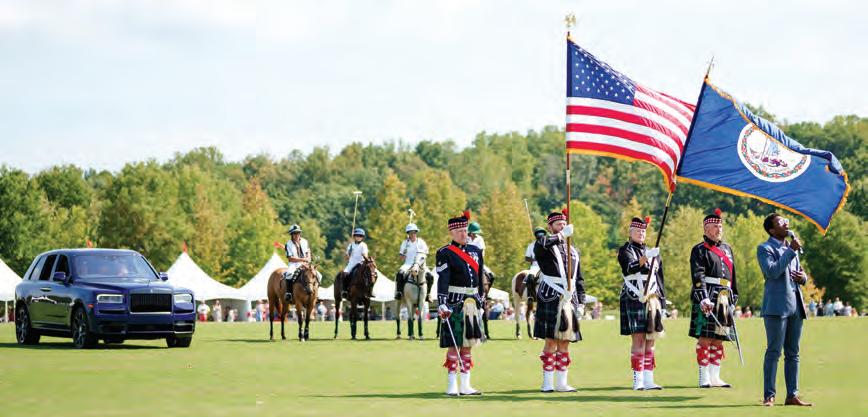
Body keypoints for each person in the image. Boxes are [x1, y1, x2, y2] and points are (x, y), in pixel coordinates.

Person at [758, 213, 812, 407]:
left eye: (785, 220)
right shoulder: (765, 249)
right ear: (772, 230)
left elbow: (799, 272)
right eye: (781, 222)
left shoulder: (791, 248)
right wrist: (790, 251)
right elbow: (772, 272)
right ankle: (769, 396)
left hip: (796, 306)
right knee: (774, 352)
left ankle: (792, 395)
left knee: (793, 353)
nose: (786, 223)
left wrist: (803, 278)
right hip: (776, 307)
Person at [533, 209, 585, 393]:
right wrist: (561, 235)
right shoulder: (544, 245)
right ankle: (547, 383)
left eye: (564, 224)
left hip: (569, 299)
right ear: (550, 227)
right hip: (551, 296)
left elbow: (579, 279)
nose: (562, 226)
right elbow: (541, 244)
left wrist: (581, 302)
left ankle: (562, 382)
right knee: (551, 341)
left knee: (565, 341)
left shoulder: (574, 251)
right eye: (558, 224)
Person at [436, 210, 485, 396]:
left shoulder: (476, 251)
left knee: (468, 344)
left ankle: (465, 385)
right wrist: (442, 302)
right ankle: (452, 385)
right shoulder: (445, 253)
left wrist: (481, 301)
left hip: (472, 303)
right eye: (459, 232)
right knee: (454, 344)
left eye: (465, 230)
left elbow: (480, 277)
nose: (464, 234)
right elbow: (443, 278)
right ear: (452, 233)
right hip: (454, 302)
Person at [689, 209, 738, 389]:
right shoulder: (699, 250)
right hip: (708, 295)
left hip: (725, 296)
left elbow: (733, 276)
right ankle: (704, 377)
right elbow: (698, 274)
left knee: (719, 338)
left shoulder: (727, 249)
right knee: (705, 337)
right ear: (706, 228)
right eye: (715, 226)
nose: (719, 229)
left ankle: (715, 377)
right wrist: (703, 297)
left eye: (720, 226)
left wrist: (734, 298)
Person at [618, 216, 666, 390]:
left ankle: (649, 380)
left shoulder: (654, 252)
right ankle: (637, 380)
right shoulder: (625, 250)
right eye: (637, 231)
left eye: (643, 231)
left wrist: (663, 304)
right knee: (638, 339)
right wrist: (646, 257)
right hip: (634, 297)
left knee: (651, 340)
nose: (641, 234)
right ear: (630, 233)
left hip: (653, 299)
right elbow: (629, 268)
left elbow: (660, 280)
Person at [284, 224, 321, 303]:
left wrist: (308, 260)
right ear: (291, 234)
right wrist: (302, 260)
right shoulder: (288, 244)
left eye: (298, 233)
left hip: (306, 263)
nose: (296, 235)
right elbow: (290, 258)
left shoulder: (305, 241)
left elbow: (308, 253)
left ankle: (316, 295)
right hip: (294, 264)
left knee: (319, 275)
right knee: (289, 274)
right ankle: (289, 293)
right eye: (294, 233)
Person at [394, 223, 431, 300]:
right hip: (408, 264)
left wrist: (420, 261)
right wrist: (404, 252)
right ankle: (399, 292)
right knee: (400, 274)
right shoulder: (405, 243)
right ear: (408, 233)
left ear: (416, 232)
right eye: (410, 232)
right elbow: (401, 258)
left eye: (414, 232)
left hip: (420, 264)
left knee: (430, 276)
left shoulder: (421, 242)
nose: (413, 234)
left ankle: (428, 294)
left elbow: (426, 254)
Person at [340, 228, 370, 300]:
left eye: (360, 236)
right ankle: (344, 290)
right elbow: (346, 258)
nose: (359, 237)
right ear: (354, 236)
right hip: (352, 263)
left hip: (361, 263)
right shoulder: (351, 245)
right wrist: (349, 253)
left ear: (362, 237)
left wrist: (364, 256)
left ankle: (370, 290)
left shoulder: (364, 245)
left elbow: (365, 255)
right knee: (344, 274)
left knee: (371, 274)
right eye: (357, 235)